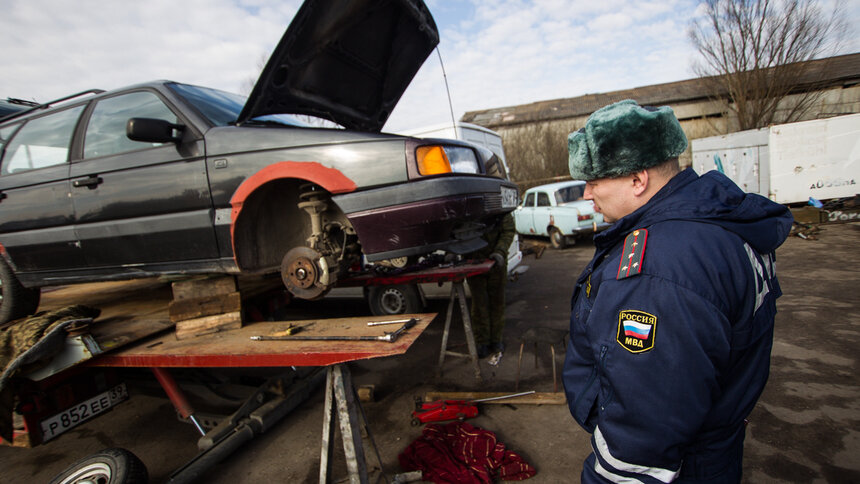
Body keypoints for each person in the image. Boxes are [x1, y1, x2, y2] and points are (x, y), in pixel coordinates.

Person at [562, 100, 792, 483]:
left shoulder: (655, 272)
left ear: (638, 180)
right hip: (718, 447)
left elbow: (646, 425)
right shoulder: (717, 221)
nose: (587, 193)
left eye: (595, 180)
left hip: (684, 466)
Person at [467, 212, 515, 359]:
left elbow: (508, 230)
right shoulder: (467, 207)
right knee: (479, 304)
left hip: (496, 262)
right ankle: (482, 342)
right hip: (474, 262)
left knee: (497, 303)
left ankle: (496, 340)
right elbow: (456, 231)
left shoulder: (499, 207)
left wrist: (500, 251)